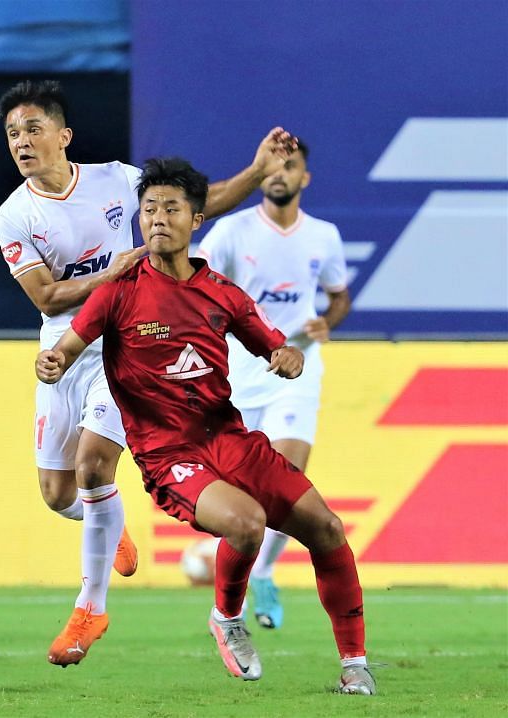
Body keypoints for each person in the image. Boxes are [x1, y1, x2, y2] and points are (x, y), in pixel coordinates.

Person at [35, 157, 375, 695]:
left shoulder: (223, 292)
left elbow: (276, 346)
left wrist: (289, 357)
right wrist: (51, 361)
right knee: (247, 523)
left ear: (197, 220)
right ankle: (226, 617)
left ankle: (355, 665)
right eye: (148, 209)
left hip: (229, 439)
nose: (157, 219)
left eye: (171, 208)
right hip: (168, 453)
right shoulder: (118, 292)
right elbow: (66, 348)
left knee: (329, 530)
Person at [0, 80, 298, 666]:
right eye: (12, 133)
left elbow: (193, 200)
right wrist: (112, 272)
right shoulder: (13, 216)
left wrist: (257, 172)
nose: (22, 142)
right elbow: (47, 297)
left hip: (124, 343)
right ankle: (107, 525)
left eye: (33, 128)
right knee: (59, 495)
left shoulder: (113, 179)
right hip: (64, 349)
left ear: (64, 135)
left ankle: (91, 607)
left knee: (92, 463)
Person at [196, 139, 350, 630]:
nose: (280, 174)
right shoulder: (231, 232)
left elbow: (338, 296)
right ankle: (244, 568)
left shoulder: (323, 236)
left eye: (291, 167)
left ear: (304, 178)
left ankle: (262, 571)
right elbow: (194, 285)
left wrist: (330, 321)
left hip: (298, 365)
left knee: (288, 473)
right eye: (274, 166)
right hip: (240, 372)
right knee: (248, 488)